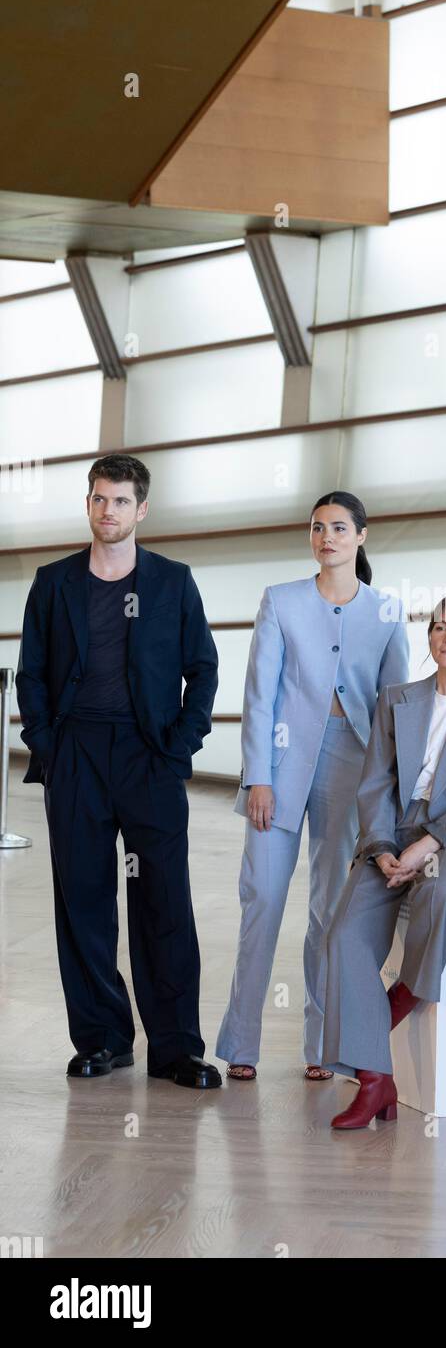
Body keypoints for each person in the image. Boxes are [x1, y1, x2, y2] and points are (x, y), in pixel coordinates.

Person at [16, 453, 221, 1087]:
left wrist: (180, 744)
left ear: (142, 509)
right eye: (100, 499)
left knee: (164, 899)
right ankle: (103, 1038)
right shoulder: (53, 583)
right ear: (89, 505)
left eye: (122, 501)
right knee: (83, 898)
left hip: (148, 757)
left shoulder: (172, 581)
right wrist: (48, 745)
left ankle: (177, 1048)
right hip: (75, 753)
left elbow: (204, 668)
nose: (110, 511)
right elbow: (33, 674)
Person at [216, 492, 409, 1082]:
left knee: (330, 910)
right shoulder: (281, 601)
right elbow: (258, 695)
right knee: (264, 899)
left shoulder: (386, 611)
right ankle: (241, 1043)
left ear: (361, 537)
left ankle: (321, 1044)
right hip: (279, 764)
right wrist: (258, 777)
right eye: (318, 528)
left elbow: (394, 705)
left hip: (351, 768)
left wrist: (386, 794)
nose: (327, 537)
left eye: (340, 528)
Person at [322, 593, 446, 1129]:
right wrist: (385, 846)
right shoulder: (398, 699)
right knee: (343, 935)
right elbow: (376, 783)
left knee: (442, 893)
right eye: (439, 627)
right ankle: (376, 1080)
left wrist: (430, 842)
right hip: (394, 829)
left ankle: (379, 1030)